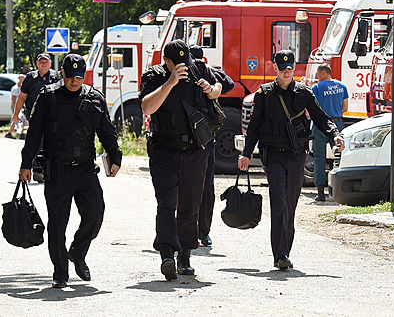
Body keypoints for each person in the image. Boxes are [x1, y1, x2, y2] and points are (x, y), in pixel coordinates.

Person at [18, 54, 121, 289]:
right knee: (57, 223)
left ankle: (77, 252)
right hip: (57, 170)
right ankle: (60, 271)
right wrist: (26, 164)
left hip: (85, 170)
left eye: (79, 76)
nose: (74, 80)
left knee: (95, 214)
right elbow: (34, 133)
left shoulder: (94, 98)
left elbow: (107, 131)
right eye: (70, 75)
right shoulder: (48, 97)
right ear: (62, 73)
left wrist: (115, 157)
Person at [238, 49, 344, 270]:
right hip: (274, 156)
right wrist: (246, 154)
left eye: (290, 68)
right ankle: (280, 255)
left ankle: (286, 249)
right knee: (279, 203)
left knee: (291, 205)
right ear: (274, 68)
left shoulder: (303, 93)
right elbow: (254, 127)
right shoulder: (264, 94)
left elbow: (320, 117)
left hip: (296, 156)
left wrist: (335, 134)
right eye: (282, 68)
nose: (287, 72)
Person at [140, 40, 222, 281]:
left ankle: (185, 254)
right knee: (166, 203)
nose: (183, 67)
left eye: (185, 61)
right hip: (164, 150)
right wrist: (171, 82)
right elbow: (147, 107)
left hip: (195, 150)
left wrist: (210, 89)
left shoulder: (199, 69)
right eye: (177, 64)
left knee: (190, 205)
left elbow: (219, 88)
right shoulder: (154, 76)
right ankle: (167, 253)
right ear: (166, 62)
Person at [189, 45, 235, 247]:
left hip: (196, 138)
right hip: (206, 138)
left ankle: (193, 230)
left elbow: (227, 84)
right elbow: (229, 83)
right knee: (206, 186)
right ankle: (202, 232)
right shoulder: (208, 72)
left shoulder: (199, 73)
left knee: (191, 186)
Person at [12, 53, 61, 181]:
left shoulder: (56, 77)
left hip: (52, 116)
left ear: (50, 64)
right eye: (41, 62)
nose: (43, 64)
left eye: (46, 62)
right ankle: (37, 169)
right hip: (34, 116)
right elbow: (22, 97)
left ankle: (48, 167)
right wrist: (15, 115)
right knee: (36, 140)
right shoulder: (30, 78)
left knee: (50, 141)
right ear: (37, 64)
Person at [311, 63, 349, 201]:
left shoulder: (316, 87)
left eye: (317, 73)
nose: (316, 76)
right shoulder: (342, 86)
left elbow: (311, 107)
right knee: (341, 155)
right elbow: (345, 107)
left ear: (323, 73)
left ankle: (321, 193)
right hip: (337, 123)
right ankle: (340, 190)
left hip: (320, 125)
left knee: (319, 158)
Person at [5, 74, 26, 139]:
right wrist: (15, 107)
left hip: (23, 105)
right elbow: (13, 98)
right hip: (16, 105)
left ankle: (21, 134)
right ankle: (9, 132)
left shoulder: (24, 87)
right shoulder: (15, 88)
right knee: (15, 119)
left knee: (22, 119)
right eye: (22, 78)